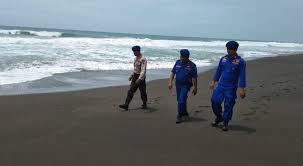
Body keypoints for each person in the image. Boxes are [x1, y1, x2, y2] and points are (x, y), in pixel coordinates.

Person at [210, 41, 246, 131]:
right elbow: (218, 71)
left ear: (235, 50)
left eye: (231, 49)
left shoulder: (240, 62)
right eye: (228, 49)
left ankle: (225, 122)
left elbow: (242, 76)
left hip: (231, 88)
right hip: (221, 86)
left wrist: (242, 89)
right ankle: (219, 117)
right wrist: (213, 81)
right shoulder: (223, 59)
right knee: (214, 101)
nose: (228, 51)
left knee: (228, 105)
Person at [168, 49, 198, 123]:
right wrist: (170, 82)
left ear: (187, 57)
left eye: (182, 57)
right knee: (180, 99)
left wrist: (195, 87)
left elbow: (194, 78)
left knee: (181, 100)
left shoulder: (192, 65)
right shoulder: (177, 62)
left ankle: (179, 115)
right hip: (178, 84)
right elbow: (173, 73)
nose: (181, 58)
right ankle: (184, 111)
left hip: (186, 85)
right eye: (180, 56)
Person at [119, 46, 148, 110]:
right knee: (130, 91)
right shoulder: (135, 58)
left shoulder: (143, 59)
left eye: (134, 52)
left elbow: (143, 70)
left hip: (141, 78)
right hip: (135, 76)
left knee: (142, 92)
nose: (134, 53)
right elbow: (136, 69)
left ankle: (144, 104)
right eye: (133, 52)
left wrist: (140, 79)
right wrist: (132, 76)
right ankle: (126, 105)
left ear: (138, 51)